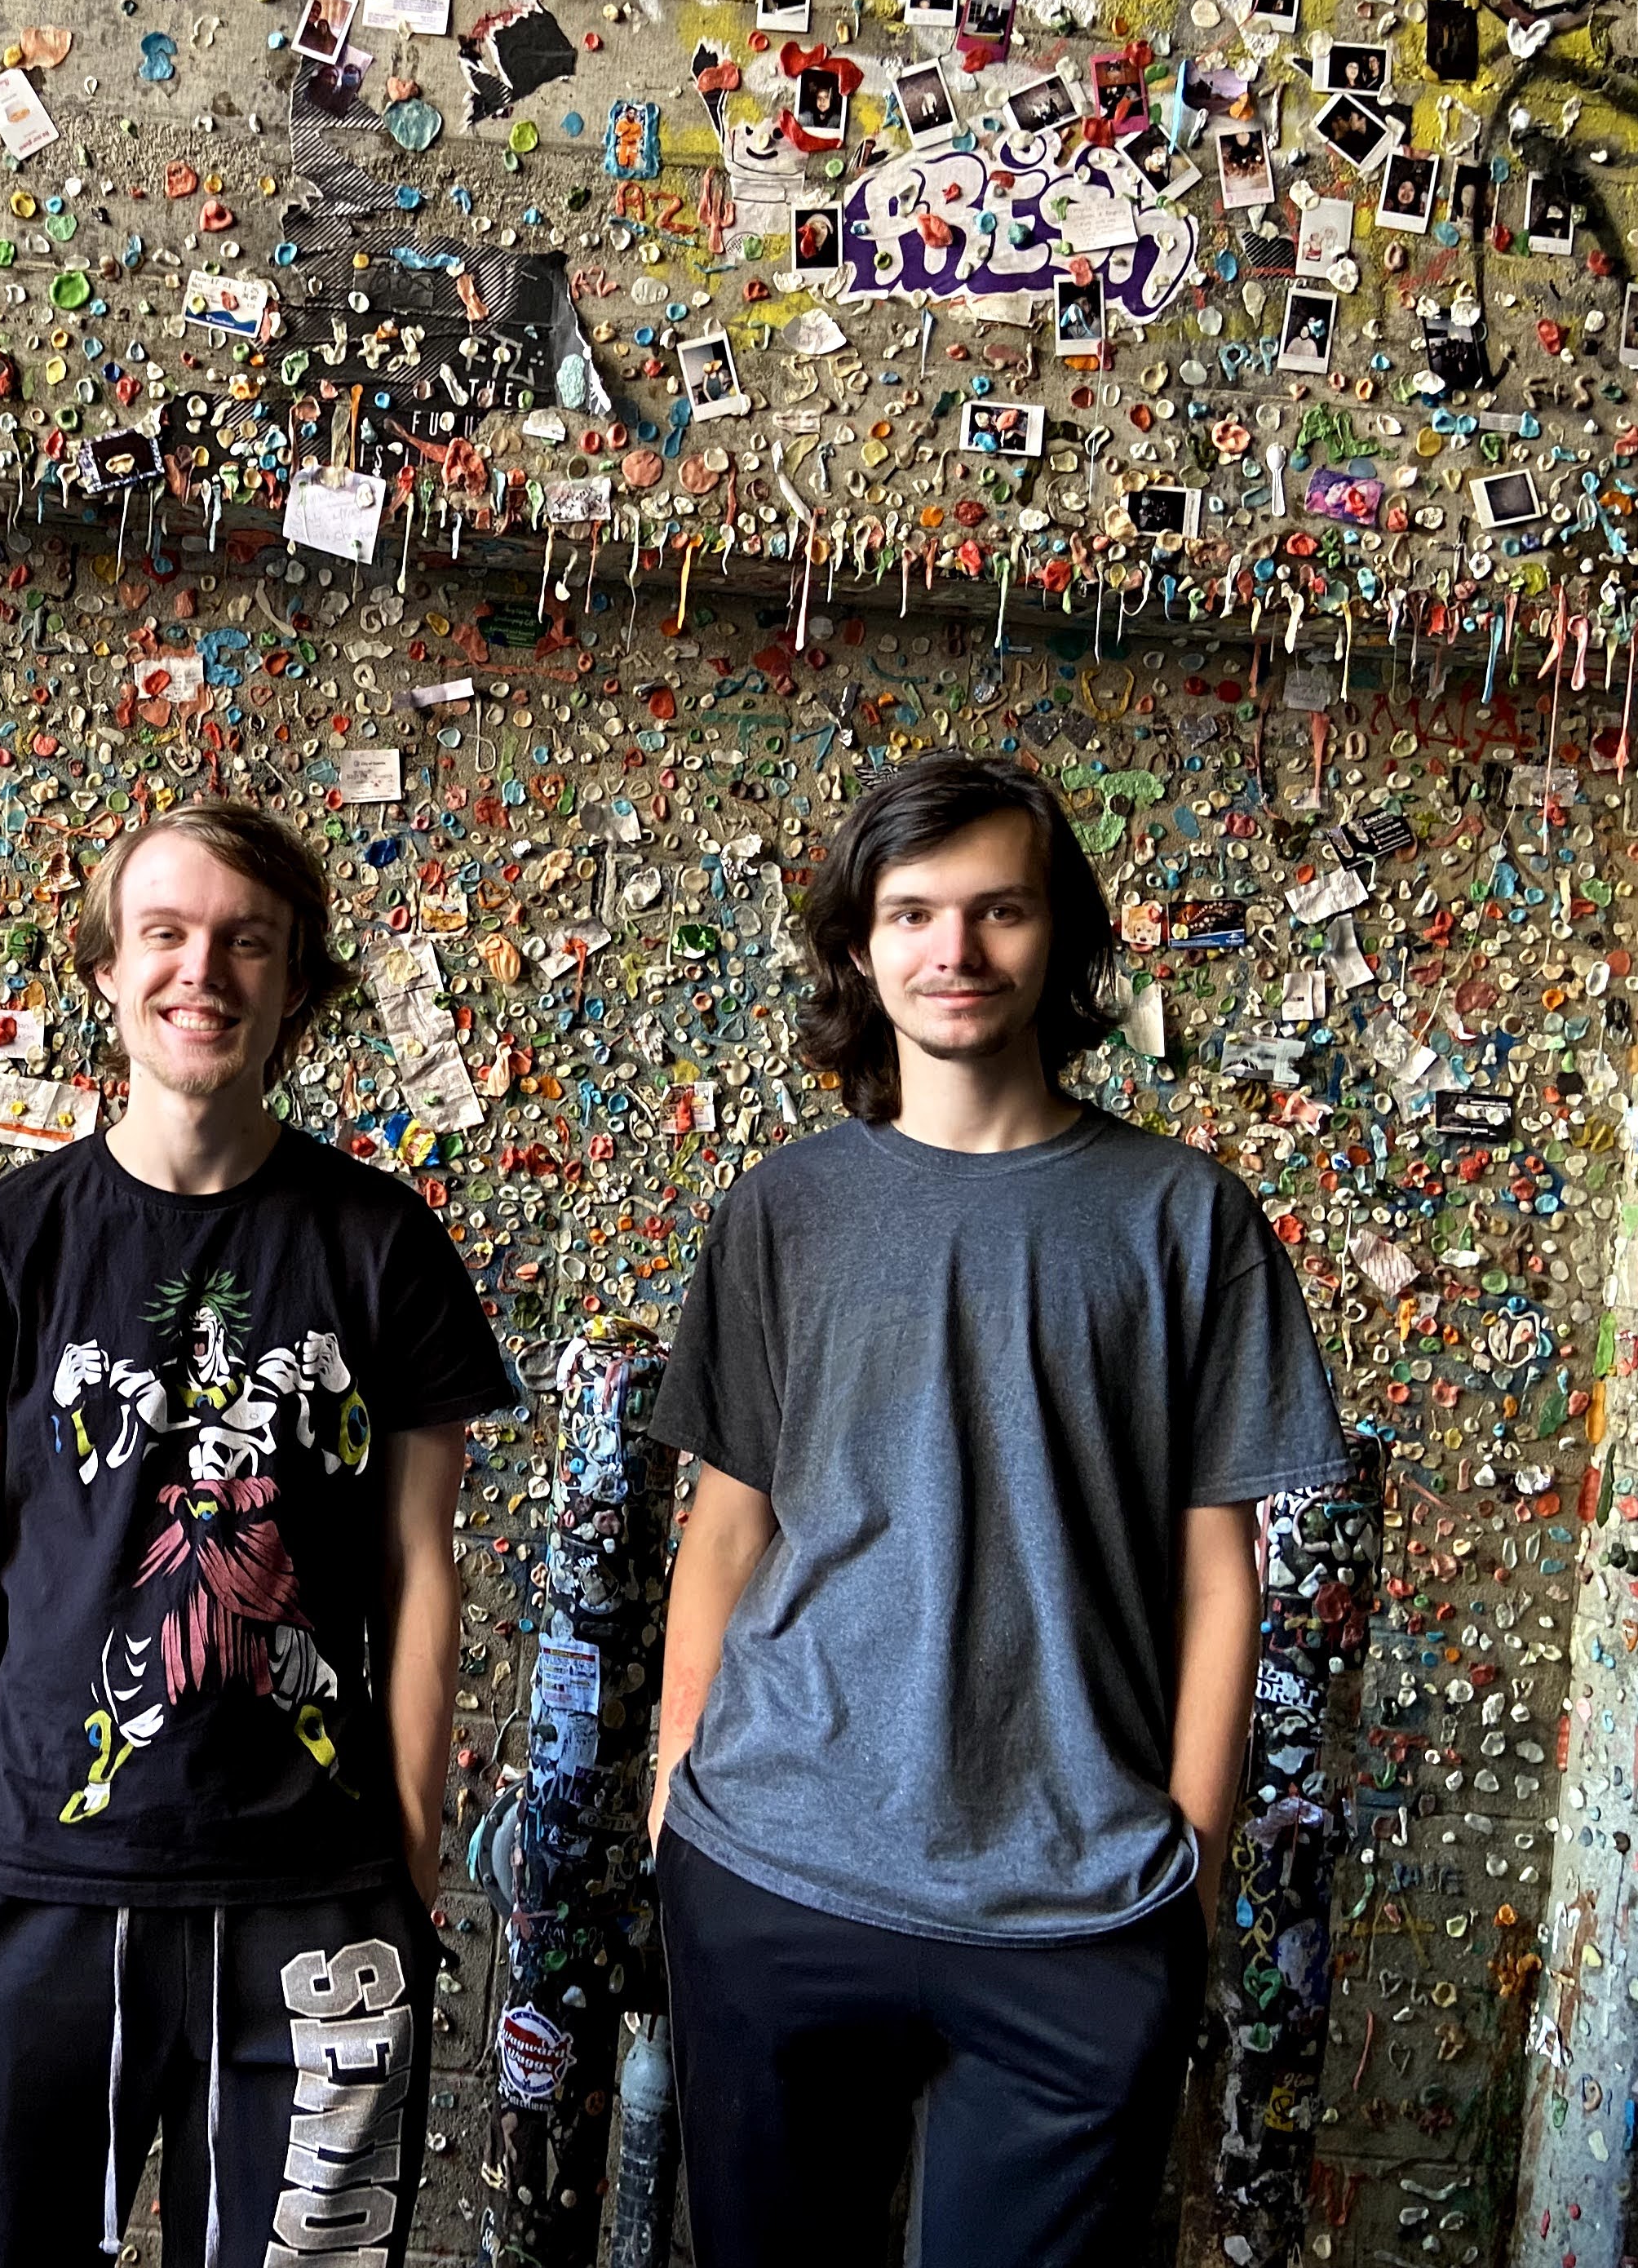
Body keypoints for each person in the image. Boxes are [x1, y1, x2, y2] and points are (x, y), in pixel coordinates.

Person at [645, 752, 1347, 2268]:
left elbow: (1221, 1577)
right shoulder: (787, 1208)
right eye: (912, 914)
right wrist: (672, 1800)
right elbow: (726, 1528)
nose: (954, 952)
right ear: (858, 946)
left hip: (1080, 1912)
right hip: (772, 1877)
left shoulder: (1184, 1217)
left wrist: (1192, 1867)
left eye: (1000, 911)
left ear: (1063, 941)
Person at [0, 798, 517, 2267]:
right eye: (165, 935)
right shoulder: (8, 1240)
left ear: (296, 983)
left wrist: (411, 1865)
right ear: (106, 968)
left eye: (248, 943)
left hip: (311, 1902)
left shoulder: (381, 1245)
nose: (203, 973)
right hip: (27, 1892)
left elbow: (425, 1574)